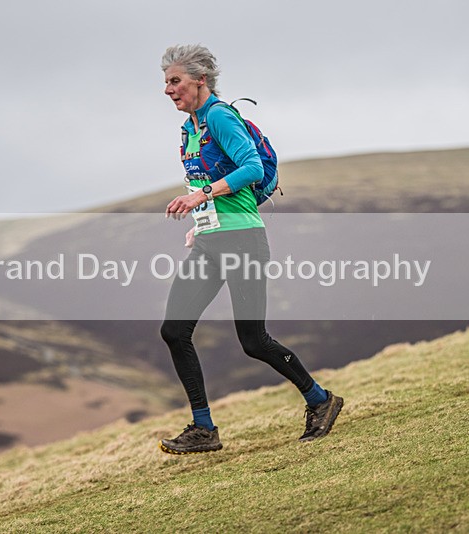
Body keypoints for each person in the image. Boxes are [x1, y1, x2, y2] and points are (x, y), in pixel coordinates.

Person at [158, 44, 344, 455]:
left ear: (199, 80)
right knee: (174, 330)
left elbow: (252, 169)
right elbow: (206, 183)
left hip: (243, 240)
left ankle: (320, 399)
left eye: (175, 81)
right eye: (166, 83)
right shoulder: (190, 127)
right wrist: (201, 220)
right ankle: (204, 429)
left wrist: (201, 196)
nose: (168, 90)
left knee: (254, 340)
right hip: (211, 240)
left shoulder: (220, 116)